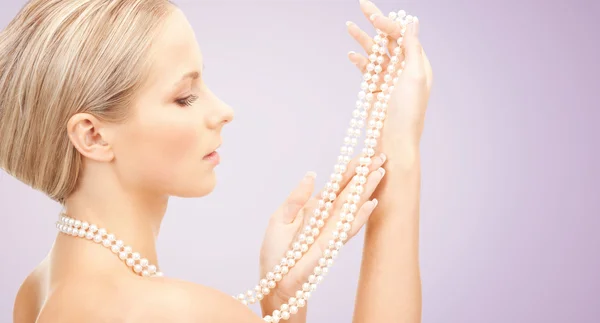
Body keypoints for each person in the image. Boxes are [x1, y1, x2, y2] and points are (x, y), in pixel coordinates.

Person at [0, 0, 432, 321]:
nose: (223, 109)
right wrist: (401, 147)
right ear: (92, 135)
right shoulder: (174, 311)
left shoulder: (39, 291)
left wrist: (281, 300)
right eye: (184, 96)